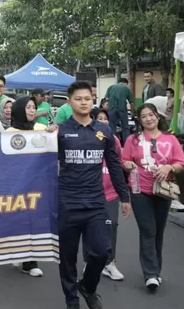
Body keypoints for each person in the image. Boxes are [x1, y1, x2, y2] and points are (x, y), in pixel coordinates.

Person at [58, 81, 130, 309]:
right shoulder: (60, 131)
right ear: (70, 102)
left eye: (87, 99)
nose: (83, 102)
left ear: (93, 100)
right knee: (68, 258)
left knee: (101, 252)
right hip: (67, 203)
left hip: (96, 203)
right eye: (78, 99)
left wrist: (124, 196)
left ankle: (87, 287)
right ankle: (72, 300)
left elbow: (115, 165)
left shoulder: (104, 131)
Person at [121, 103, 184, 292]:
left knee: (158, 231)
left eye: (151, 115)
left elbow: (181, 163)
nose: (148, 118)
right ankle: (150, 273)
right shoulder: (133, 140)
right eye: (144, 116)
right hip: (140, 189)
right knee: (148, 229)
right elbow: (124, 160)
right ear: (139, 121)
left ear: (157, 117)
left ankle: (155, 270)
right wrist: (128, 165)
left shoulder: (171, 139)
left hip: (164, 191)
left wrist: (169, 167)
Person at [6, 96, 55, 278]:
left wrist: (53, 132)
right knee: (17, 221)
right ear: (19, 109)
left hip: (38, 184)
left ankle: (30, 262)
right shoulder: (9, 131)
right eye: (28, 107)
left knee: (33, 222)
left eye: (34, 107)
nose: (32, 111)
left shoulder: (42, 129)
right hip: (16, 184)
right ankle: (16, 251)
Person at [84, 108, 125, 281]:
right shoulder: (85, 137)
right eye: (98, 118)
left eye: (105, 118)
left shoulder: (114, 139)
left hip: (110, 191)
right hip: (89, 191)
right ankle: (89, 261)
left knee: (111, 226)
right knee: (88, 227)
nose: (102, 121)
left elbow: (119, 163)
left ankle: (109, 262)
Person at [104, 77, 134, 145]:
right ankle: (127, 144)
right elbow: (131, 102)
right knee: (125, 127)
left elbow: (106, 99)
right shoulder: (126, 88)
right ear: (125, 83)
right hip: (122, 109)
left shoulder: (110, 87)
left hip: (111, 109)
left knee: (111, 127)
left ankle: (113, 144)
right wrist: (132, 112)